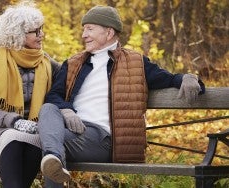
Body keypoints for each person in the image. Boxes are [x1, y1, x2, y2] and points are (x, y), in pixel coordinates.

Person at [37, 5, 205, 187]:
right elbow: (54, 96)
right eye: (83, 29)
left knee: (36, 143)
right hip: (73, 132)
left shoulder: (136, 63)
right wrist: (67, 110)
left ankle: (52, 155)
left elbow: (169, 79)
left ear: (109, 32)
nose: (84, 35)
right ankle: (53, 156)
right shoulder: (73, 63)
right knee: (48, 113)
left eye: (90, 29)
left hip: (105, 140)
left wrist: (189, 78)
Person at [0, 1, 60, 187]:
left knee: (34, 140)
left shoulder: (46, 63)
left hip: (33, 132)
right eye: (35, 31)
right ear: (18, 34)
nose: (41, 34)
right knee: (14, 139)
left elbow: (71, 75)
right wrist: (15, 122)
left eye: (41, 29)